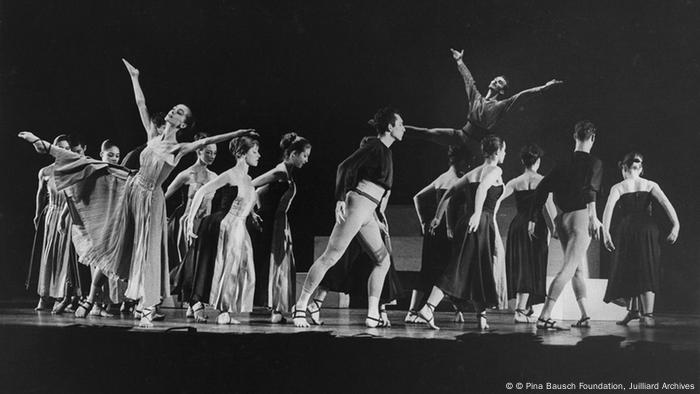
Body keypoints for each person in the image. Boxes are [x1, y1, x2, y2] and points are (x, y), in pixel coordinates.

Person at [17, 58, 255, 327]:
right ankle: (46, 146)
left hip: (151, 200)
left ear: (183, 124)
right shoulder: (153, 135)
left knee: (147, 250)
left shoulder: (178, 149)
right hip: (132, 189)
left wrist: (238, 132)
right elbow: (141, 104)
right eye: (174, 109)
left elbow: (207, 141)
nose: (172, 112)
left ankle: (147, 305)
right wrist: (135, 77)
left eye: (179, 112)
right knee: (95, 169)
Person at [292, 107, 405, 328]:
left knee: (383, 260)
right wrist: (340, 198)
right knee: (331, 257)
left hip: (369, 211)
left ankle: (373, 314)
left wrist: (378, 215)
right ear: (390, 127)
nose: (403, 128)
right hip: (357, 204)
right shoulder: (374, 145)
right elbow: (344, 166)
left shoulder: (386, 151)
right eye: (400, 124)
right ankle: (301, 306)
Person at [405, 48, 562, 160]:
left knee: (470, 178)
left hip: (476, 146)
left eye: (499, 82)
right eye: (495, 79)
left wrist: (543, 88)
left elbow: (522, 96)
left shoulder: (501, 105)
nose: (495, 81)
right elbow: (468, 81)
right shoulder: (477, 98)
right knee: (427, 133)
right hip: (460, 136)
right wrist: (460, 61)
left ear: (502, 91)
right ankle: (393, 129)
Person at [417, 135, 506, 330]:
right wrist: (476, 213)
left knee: (479, 269)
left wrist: (437, 217)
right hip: (479, 222)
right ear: (498, 152)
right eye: (504, 150)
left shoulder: (472, 172)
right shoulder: (495, 169)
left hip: (470, 222)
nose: (504, 154)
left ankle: (481, 316)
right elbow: (483, 188)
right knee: (459, 267)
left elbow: (449, 192)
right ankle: (428, 308)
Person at [528, 120, 603, 330]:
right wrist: (592, 216)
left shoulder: (563, 162)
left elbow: (542, 188)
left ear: (574, 137)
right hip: (581, 216)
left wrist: (534, 217)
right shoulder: (594, 162)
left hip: (562, 220)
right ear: (593, 138)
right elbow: (591, 190)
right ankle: (544, 316)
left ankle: (585, 315)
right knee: (569, 268)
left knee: (577, 269)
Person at [185, 136, 260, 324]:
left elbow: (246, 199)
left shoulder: (249, 178)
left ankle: (226, 310)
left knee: (243, 270)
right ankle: (222, 311)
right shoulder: (231, 174)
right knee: (226, 267)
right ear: (242, 153)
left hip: (240, 226)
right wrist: (190, 219)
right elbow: (202, 192)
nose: (258, 155)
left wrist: (252, 214)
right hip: (226, 225)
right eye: (255, 151)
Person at [602, 152, 680, 327]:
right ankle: (636, 312)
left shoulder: (618, 187)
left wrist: (606, 233)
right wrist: (676, 225)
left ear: (624, 168)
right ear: (640, 168)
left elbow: (608, 211)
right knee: (646, 266)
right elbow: (667, 205)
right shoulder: (650, 184)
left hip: (628, 230)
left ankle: (646, 315)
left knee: (630, 268)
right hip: (647, 230)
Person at [250, 133, 311, 323]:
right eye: (304, 155)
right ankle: (275, 308)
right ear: (293, 154)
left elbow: (260, 191)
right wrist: (254, 211)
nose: (306, 160)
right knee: (276, 263)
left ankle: (278, 308)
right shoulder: (280, 171)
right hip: (272, 222)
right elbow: (251, 185)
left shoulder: (287, 172)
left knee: (281, 263)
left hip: (280, 222)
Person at [406, 145, 470, 324]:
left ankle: (412, 311)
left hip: (433, 229)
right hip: (447, 231)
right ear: (460, 161)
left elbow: (417, 197)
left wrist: (423, 222)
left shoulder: (442, 177)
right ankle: (453, 311)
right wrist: (449, 227)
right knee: (450, 270)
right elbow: (448, 204)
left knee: (428, 270)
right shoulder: (456, 178)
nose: (468, 166)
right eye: (466, 162)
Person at [495, 143, 556, 323]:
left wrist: (489, 218)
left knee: (522, 264)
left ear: (523, 161)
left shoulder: (515, 182)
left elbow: (496, 201)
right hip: (536, 226)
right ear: (537, 161)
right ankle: (521, 310)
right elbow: (549, 208)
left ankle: (525, 308)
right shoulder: (543, 181)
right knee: (531, 265)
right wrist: (555, 230)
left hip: (518, 225)